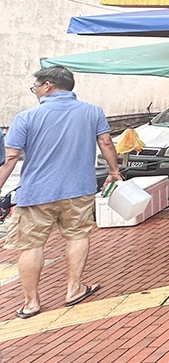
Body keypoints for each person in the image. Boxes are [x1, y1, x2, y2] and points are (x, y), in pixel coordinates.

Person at [0, 66, 122, 318]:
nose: (35, 91)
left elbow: (10, 157)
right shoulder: (92, 112)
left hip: (36, 194)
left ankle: (31, 303)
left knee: (32, 245)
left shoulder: (25, 118)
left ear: (48, 86)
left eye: (35, 87)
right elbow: (106, 142)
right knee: (77, 236)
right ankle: (73, 290)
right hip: (78, 190)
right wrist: (114, 171)